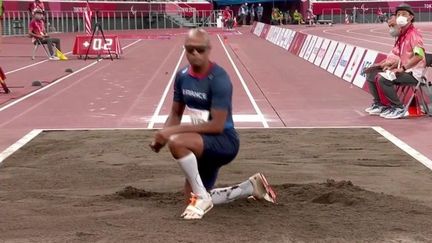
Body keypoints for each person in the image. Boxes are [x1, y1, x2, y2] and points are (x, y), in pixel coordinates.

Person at [150, 28, 276, 220]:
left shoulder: (219, 79)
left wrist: (171, 133)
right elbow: (175, 113)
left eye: (200, 49)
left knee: (177, 142)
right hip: (200, 143)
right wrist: (163, 134)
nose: (195, 54)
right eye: (190, 50)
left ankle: (202, 196)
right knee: (190, 200)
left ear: (209, 50)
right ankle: (250, 187)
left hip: (224, 141)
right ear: (185, 50)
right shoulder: (182, 76)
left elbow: (217, 125)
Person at [364, 4, 426, 119]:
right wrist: (384, 65)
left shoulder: (414, 35)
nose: (400, 16)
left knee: (383, 78)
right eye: (398, 14)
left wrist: (402, 68)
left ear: (411, 17)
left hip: (414, 74)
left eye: (403, 14)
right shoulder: (403, 35)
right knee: (371, 73)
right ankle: (380, 104)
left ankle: (398, 107)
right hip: (405, 70)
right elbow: (397, 55)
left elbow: (419, 56)